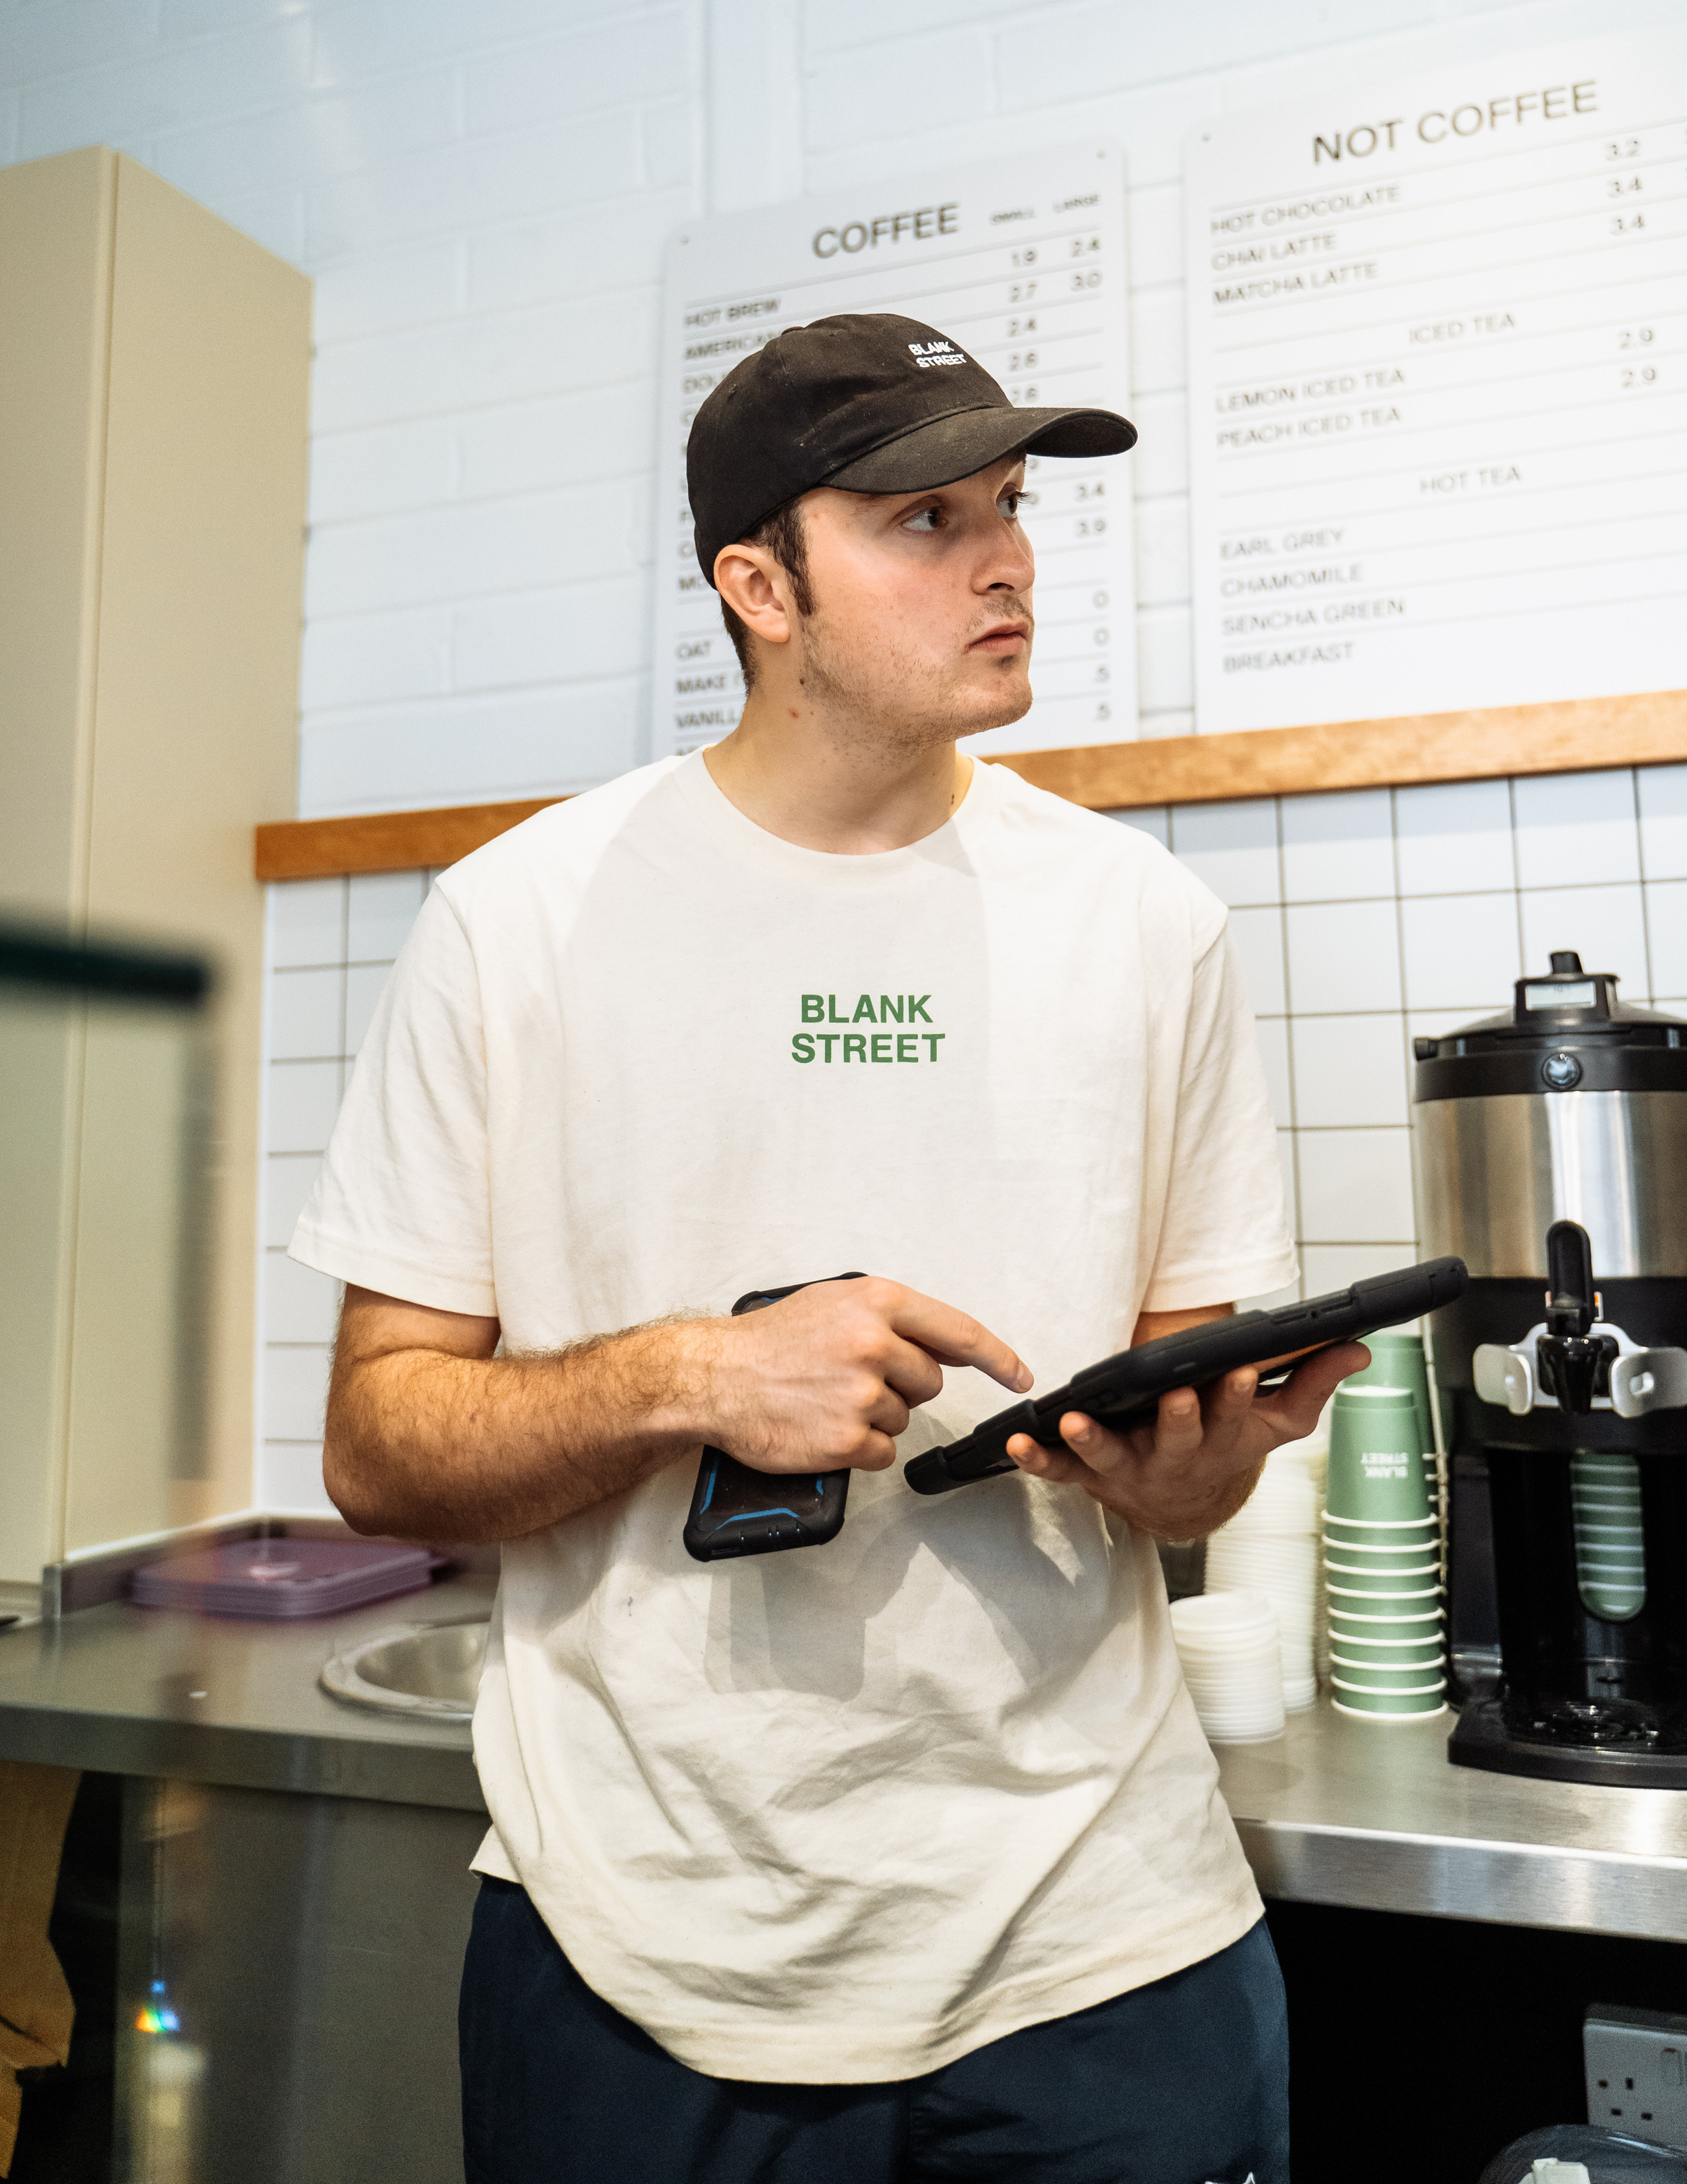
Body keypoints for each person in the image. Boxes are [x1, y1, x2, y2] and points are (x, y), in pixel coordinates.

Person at [296, 311, 1363, 2184]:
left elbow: (1183, 1493)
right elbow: (382, 1449)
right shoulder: (517, 924)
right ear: (756, 583)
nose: (1007, 558)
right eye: (924, 519)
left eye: (1012, 507)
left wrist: (1190, 1466)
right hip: (639, 1950)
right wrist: (696, 1374)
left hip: (1101, 1939)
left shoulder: (1149, 925)